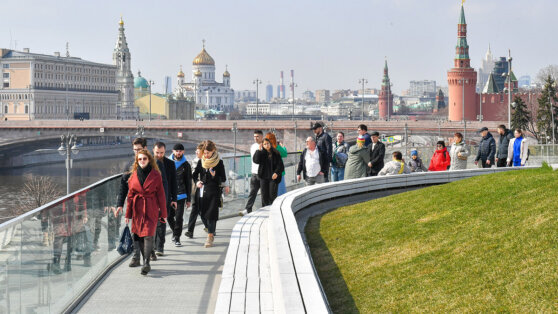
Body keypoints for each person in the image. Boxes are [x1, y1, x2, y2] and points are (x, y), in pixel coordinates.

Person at [117, 137, 165, 267]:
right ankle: (136, 257)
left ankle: (149, 254)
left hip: (151, 204)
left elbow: (162, 186)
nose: (136, 152)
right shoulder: (129, 166)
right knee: (136, 232)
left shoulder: (156, 164)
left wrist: (163, 207)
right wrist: (120, 204)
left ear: (145, 148)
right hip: (135, 204)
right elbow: (123, 186)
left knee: (149, 232)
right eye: (134, 150)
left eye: (139, 149)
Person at [194, 141, 229, 248]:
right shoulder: (201, 161)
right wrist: (197, 182)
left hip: (214, 191)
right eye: (204, 153)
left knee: (212, 214)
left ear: (213, 151)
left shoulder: (219, 162)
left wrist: (214, 176)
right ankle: (210, 230)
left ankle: (210, 236)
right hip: (202, 191)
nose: (206, 155)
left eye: (208, 153)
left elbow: (223, 178)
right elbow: (195, 175)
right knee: (202, 212)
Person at [152, 142, 178, 256]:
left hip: (165, 197)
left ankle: (160, 247)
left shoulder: (170, 164)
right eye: (157, 152)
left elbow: (173, 182)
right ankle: (153, 245)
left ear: (165, 151)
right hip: (152, 198)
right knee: (152, 223)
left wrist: (174, 198)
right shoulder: (148, 162)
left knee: (162, 221)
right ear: (153, 151)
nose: (159, 155)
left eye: (161, 153)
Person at [168, 143, 192, 247]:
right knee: (169, 216)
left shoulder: (186, 165)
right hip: (169, 195)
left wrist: (189, 199)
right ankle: (175, 232)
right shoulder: (167, 163)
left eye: (180, 151)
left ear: (183, 152)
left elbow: (188, 182)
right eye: (176, 151)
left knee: (179, 217)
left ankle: (177, 237)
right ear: (173, 151)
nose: (178, 153)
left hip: (181, 195)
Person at [185, 142, 209, 239]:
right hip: (196, 189)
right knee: (195, 209)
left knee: (201, 210)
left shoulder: (210, 161)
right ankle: (190, 231)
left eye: (198, 151)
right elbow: (193, 175)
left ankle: (209, 227)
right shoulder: (196, 161)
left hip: (206, 190)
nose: (195, 152)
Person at [253, 138, 284, 206]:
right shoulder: (261, 153)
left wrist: (276, 173)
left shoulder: (276, 153)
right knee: (264, 196)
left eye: (268, 143)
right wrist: (258, 150)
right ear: (262, 145)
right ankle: (265, 212)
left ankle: (273, 210)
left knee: (272, 196)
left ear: (270, 144)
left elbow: (280, 165)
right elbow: (255, 161)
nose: (267, 145)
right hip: (263, 178)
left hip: (273, 178)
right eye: (265, 144)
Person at [242, 130, 264, 215]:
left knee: (264, 194)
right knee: (253, 192)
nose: (255, 138)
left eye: (257, 136)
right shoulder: (253, 146)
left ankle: (264, 209)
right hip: (254, 173)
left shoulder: (265, 146)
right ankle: (248, 209)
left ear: (262, 136)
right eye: (254, 136)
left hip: (263, 174)